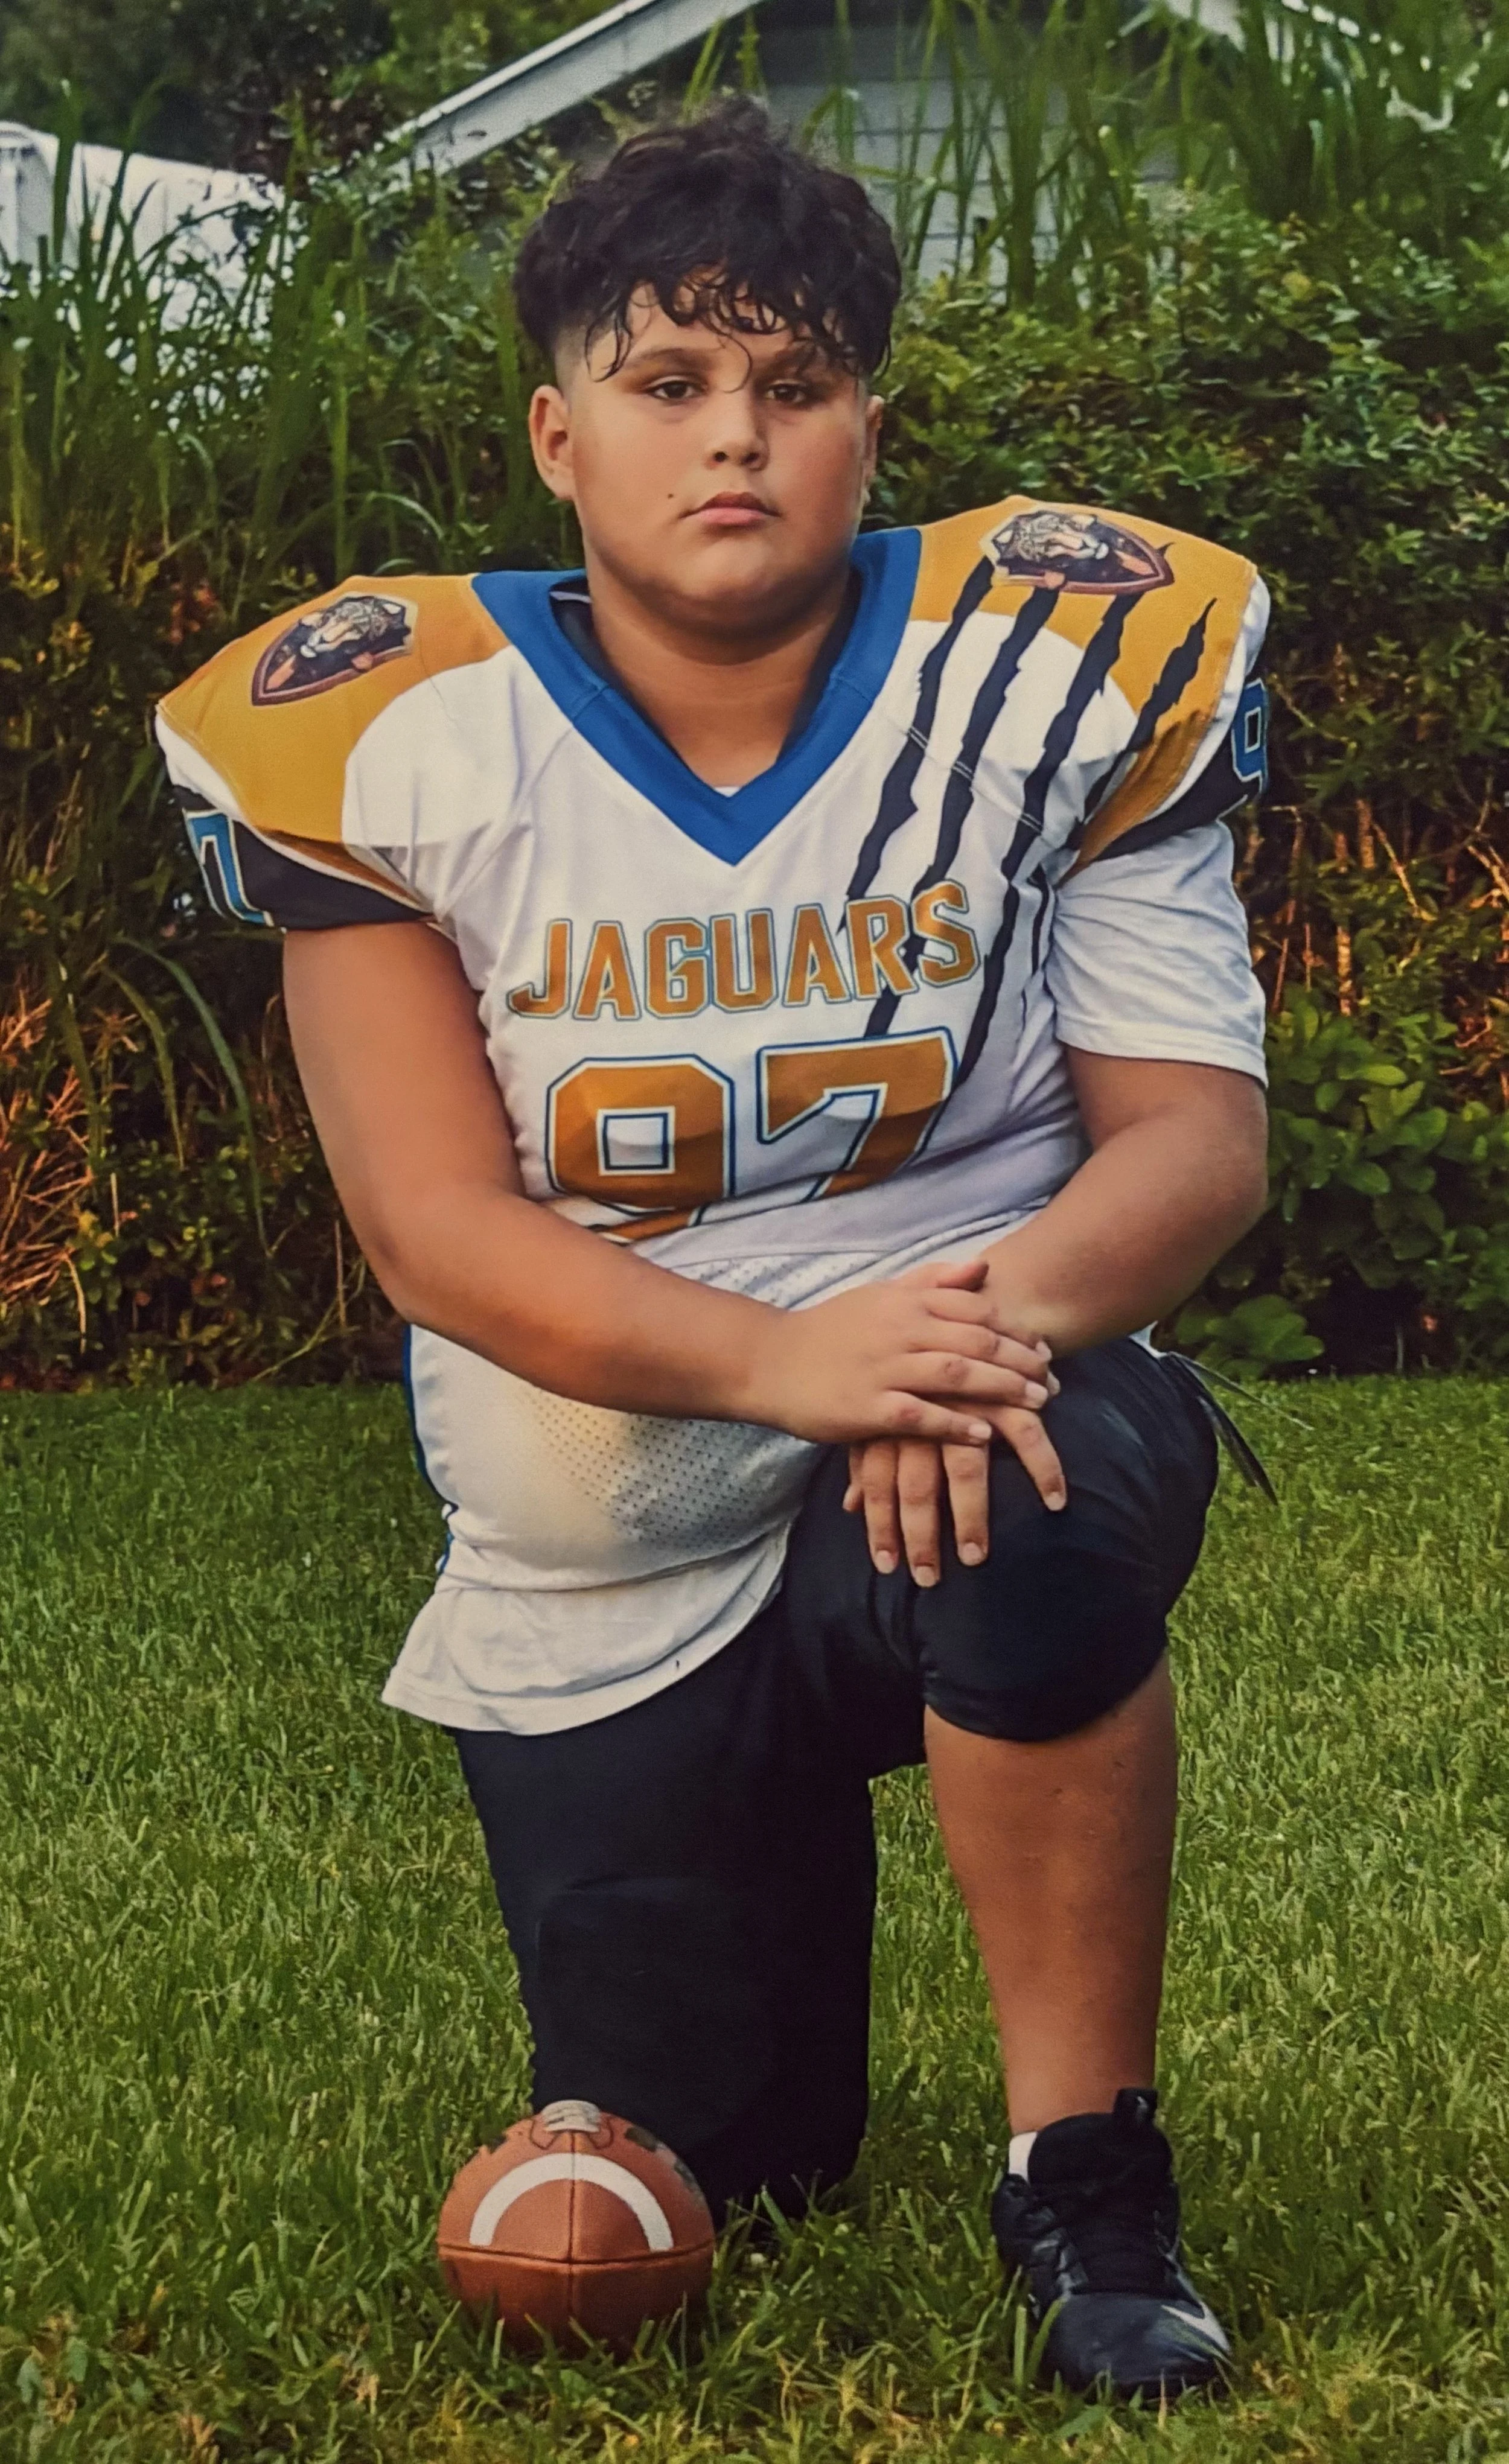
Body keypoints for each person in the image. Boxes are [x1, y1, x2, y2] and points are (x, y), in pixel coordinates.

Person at [155, 102, 1272, 2401]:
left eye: (797, 384)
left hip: (979, 1382)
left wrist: (953, 1350)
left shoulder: (1057, 665)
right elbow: (433, 1223)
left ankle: (1090, 2184)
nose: (736, 440)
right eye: (670, 389)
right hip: (609, 1523)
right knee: (719, 2164)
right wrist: (791, 1372)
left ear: (874, 420)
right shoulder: (391, 732)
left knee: (1036, 1503)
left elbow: (1192, 1145)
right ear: (561, 437)